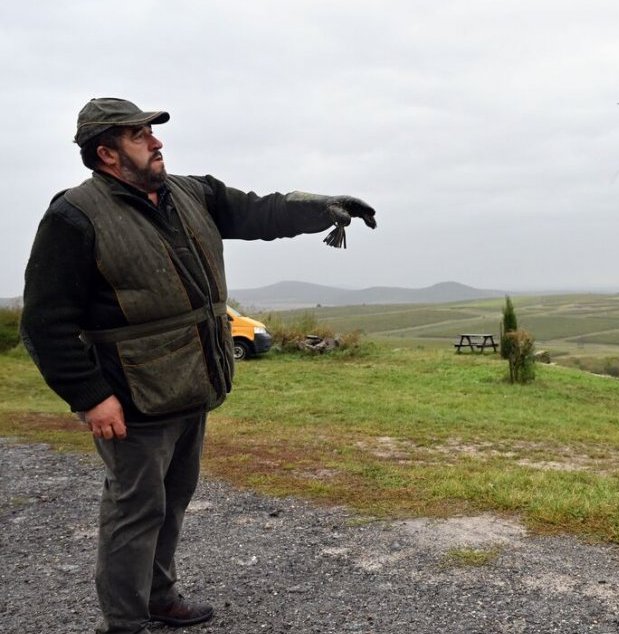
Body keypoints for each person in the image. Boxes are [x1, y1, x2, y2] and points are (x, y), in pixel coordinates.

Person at [19, 97, 378, 634]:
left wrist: (323, 206)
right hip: (130, 395)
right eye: (140, 135)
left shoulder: (191, 193)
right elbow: (44, 322)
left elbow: (260, 211)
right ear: (107, 153)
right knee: (135, 508)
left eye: (151, 132)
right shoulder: (74, 216)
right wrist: (90, 396)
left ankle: (159, 597)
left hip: (191, 381)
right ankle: (124, 622)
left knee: (172, 499)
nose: (156, 142)